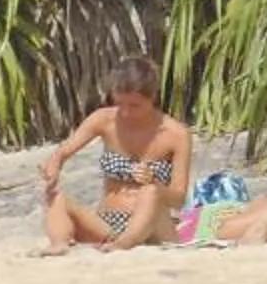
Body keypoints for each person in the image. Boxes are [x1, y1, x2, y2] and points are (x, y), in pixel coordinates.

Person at [38, 56, 193, 253]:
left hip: (154, 225)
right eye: (120, 104)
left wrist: (154, 182)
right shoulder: (104, 120)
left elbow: (179, 199)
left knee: (150, 192)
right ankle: (59, 244)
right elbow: (64, 151)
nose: (126, 112)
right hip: (109, 223)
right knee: (56, 197)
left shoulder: (176, 134)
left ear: (153, 96)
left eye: (134, 106)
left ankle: (124, 244)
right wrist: (54, 164)